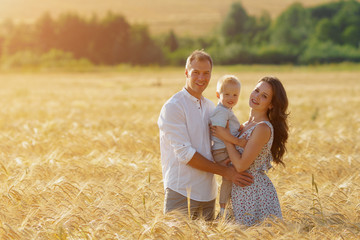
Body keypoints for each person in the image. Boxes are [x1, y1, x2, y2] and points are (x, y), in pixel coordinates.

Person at [157, 49, 253, 221]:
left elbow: (219, 142)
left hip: (209, 195)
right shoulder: (173, 107)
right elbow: (185, 154)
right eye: (196, 73)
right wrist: (227, 171)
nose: (201, 78)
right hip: (181, 191)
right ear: (186, 73)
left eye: (206, 73)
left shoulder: (211, 107)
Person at [211, 76, 289, 226]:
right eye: (256, 90)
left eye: (264, 96)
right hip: (239, 190)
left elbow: (241, 166)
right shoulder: (246, 125)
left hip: (253, 193)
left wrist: (226, 138)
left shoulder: (262, 128)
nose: (257, 97)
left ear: (271, 104)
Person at [209, 75, 245, 218]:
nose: (231, 97)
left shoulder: (227, 110)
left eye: (235, 95)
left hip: (224, 148)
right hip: (221, 151)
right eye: (227, 94)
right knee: (229, 177)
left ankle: (229, 207)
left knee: (233, 176)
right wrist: (238, 142)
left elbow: (228, 129)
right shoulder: (221, 111)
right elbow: (220, 131)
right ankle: (224, 209)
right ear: (218, 95)